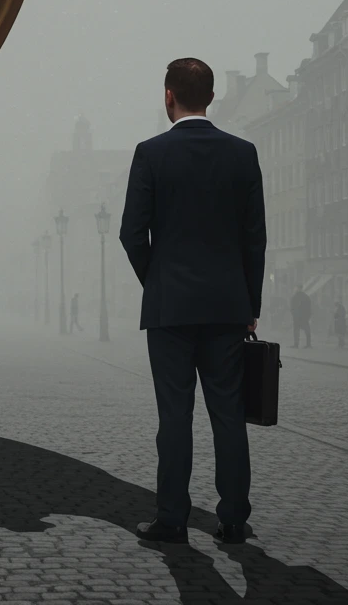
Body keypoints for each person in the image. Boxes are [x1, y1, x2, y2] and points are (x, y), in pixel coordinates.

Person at [119, 57, 265, 547]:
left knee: (175, 417)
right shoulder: (243, 154)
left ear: (168, 96)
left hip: (171, 309)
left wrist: (156, 281)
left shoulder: (151, 153)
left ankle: (173, 519)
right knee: (228, 415)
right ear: (210, 97)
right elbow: (254, 238)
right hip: (227, 307)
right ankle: (233, 519)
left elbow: (131, 233)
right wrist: (249, 301)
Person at [289, 284, 312, 349]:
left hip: (298, 317)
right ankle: (308, 344)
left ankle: (296, 344)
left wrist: (293, 314)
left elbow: (292, 307)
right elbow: (309, 308)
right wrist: (308, 316)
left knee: (297, 331)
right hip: (304, 317)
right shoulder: (306, 296)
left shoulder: (295, 297)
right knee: (307, 330)